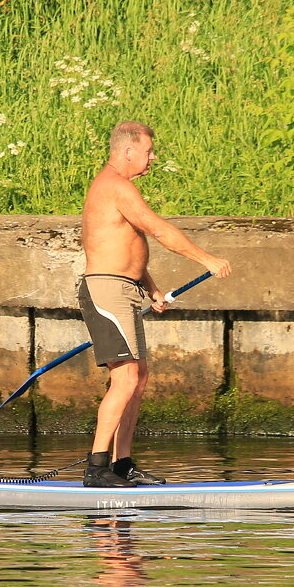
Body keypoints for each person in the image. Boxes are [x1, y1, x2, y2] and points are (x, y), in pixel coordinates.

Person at [77, 121, 231, 487]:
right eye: (148, 151)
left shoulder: (118, 188)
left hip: (126, 289)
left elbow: (126, 245)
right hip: (107, 292)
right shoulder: (116, 186)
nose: (152, 157)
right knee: (125, 378)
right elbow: (158, 230)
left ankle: (122, 464)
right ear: (127, 150)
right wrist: (206, 259)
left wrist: (151, 287)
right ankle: (96, 468)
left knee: (138, 378)